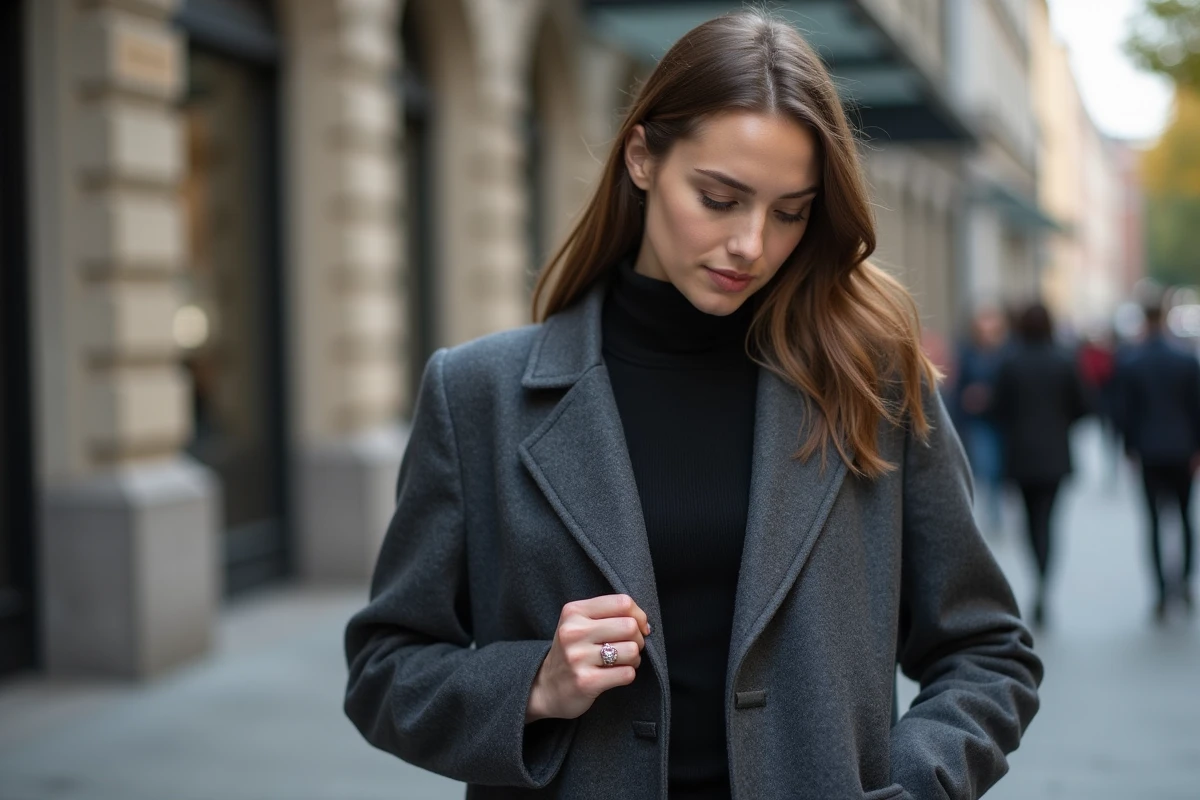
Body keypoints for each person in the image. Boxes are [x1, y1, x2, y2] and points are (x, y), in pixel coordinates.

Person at [343, 11, 1041, 800]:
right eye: (719, 197)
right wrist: (535, 682)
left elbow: (988, 655)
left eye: (789, 211)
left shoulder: (869, 384)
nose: (751, 244)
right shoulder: (479, 393)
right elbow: (385, 669)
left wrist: (909, 785)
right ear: (642, 157)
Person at [991, 303, 1089, 628]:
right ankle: (1044, 583)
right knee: (1048, 521)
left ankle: (1037, 577)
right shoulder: (1064, 361)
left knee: (1029, 522)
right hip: (1055, 456)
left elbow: (997, 408)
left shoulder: (1010, 362)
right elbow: (1084, 405)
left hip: (1021, 455)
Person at [1115, 303, 1200, 621]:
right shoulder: (1185, 359)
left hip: (1149, 451)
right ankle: (1185, 582)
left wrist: (1129, 448)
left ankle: (1161, 591)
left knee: (1153, 523)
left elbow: (1125, 412)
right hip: (1181, 449)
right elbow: (1196, 407)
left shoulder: (1132, 361)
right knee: (1185, 518)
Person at [952, 306, 1010, 537]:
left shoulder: (1006, 354)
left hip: (1001, 419)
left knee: (999, 466)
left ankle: (998, 507)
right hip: (978, 421)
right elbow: (959, 387)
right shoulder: (968, 353)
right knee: (987, 465)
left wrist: (990, 396)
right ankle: (993, 512)